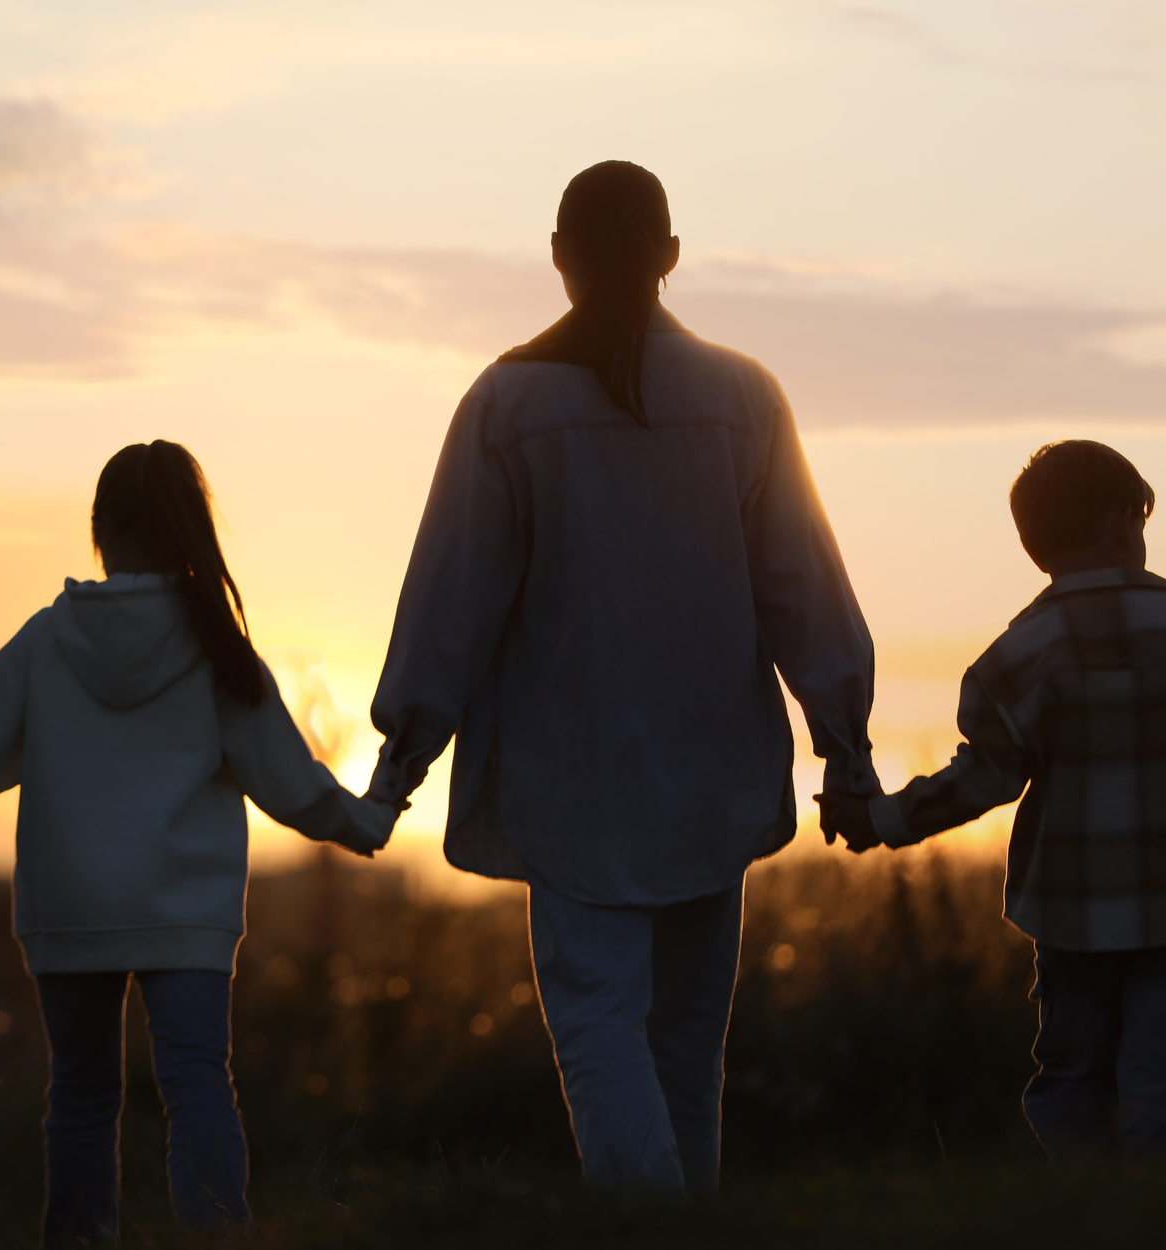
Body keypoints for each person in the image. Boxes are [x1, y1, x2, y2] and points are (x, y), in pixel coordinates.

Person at [366, 161, 879, 1196]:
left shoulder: (506, 402)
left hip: (572, 781)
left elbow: (452, 594)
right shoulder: (745, 396)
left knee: (599, 1024)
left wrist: (397, 768)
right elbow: (804, 587)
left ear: (559, 257)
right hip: (714, 775)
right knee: (688, 1046)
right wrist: (847, 749)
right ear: (671, 256)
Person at [0, 440, 392, 1247]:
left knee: (81, 1094)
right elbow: (291, 782)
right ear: (191, 528)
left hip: (70, 904)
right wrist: (364, 819)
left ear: (99, 528)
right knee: (198, 1083)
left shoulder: (48, 639)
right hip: (184, 909)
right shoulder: (217, 649)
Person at [818, 440, 1166, 1160]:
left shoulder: (1018, 655)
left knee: (1073, 1082)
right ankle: (1158, 1218)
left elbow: (982, 780)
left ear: (1035, 546)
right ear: (1126, 520)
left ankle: (1079, 1214)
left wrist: (878, 819)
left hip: (1070, 916)